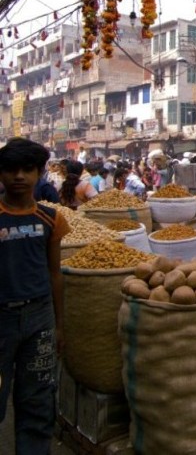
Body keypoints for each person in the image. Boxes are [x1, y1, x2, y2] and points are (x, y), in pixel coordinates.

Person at [0, 138, 71, 453]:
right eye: (11, 169)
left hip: (38, 318)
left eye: (28, 169)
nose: (19, 176)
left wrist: (60, 325)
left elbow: (55, 274)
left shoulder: (51, 218)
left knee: (37, 401)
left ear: (40, 173)